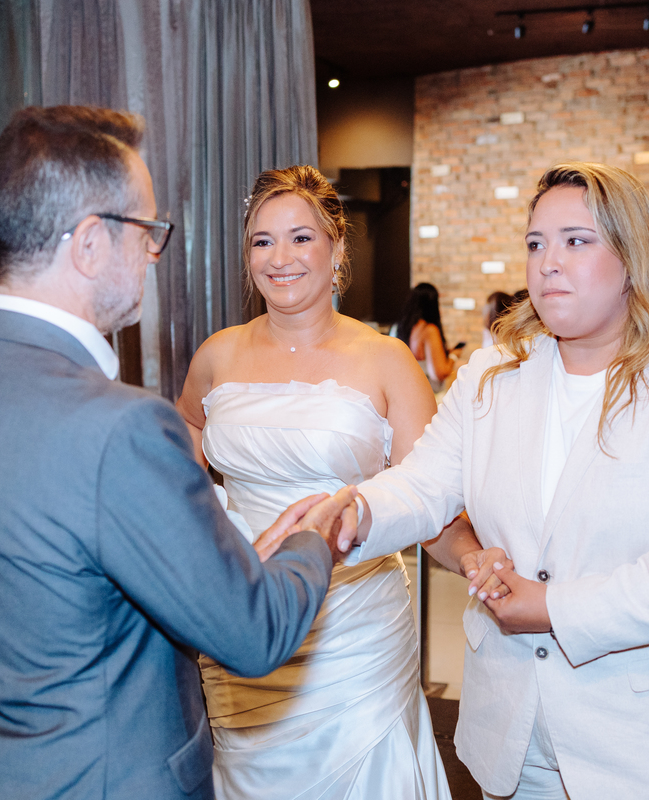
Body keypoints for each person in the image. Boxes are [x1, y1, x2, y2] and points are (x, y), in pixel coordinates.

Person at [0, 108, 356, 800]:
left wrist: (221, 569)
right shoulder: (123, 426)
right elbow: (254, 633)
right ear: (90, 244)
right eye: (148, 232)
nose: (153, 253)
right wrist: (314, 541)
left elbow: (68, 589)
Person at [340, 162, 649, 799]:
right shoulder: (492, 374)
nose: (548, 261)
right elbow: (423, 485)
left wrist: (554, 608)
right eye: (535, 243)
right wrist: (352, 514)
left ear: (633, 256)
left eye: (576, 241)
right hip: (516, 733)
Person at [176, 165, 503, 800]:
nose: (280, 258)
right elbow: (187, 434)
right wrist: (207, 526)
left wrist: (473, 559)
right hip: (243, 616)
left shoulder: (387, 361)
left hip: (355, 632)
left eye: (301, 237)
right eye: (261, 241)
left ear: (337, 248)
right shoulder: (217, 354)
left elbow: (428, 498)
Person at [394, 281, 460, 391]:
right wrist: (454, 356)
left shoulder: (398, 328)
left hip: (403, 390)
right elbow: (438, 373)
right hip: (426, 393)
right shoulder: (429, 330)